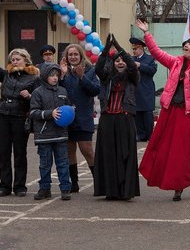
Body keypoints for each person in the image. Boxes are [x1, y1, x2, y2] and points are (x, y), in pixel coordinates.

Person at [136, 20, 190, 201]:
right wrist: (146, 33)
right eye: (186, 43)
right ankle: (178, 185)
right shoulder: (175, 62)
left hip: (187, 114)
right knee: (164, 147)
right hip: (170, 111)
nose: (186, 45)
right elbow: (156, 52)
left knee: (186, 151)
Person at [0, 37, 40, 197]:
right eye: (12, 59)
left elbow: (37, 99)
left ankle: (20, 186)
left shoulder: (34, 78)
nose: (14, 62)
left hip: (20, 117)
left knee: (20, 153)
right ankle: (5, 186)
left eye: (18, 59)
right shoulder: (6, 75)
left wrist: (29, 96)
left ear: (26, 60)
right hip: (3, 116)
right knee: (4, 152)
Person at [93, 34, 141, 200]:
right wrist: (106, 50)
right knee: (108, 155)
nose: (120, 62)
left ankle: (125, 191)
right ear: (112, 63)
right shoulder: (106, 78)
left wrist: (120, 49)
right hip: (107, 119)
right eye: (117, 60)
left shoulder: (132, 77)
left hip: (124, 118)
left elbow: (132, 66)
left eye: (122, 60)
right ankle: (111, 191)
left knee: (125, 154)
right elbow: (98, 68)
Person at [59, 44, 101, 193]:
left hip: (83, 117)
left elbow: (95, 90)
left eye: (75, 54)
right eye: (70, 54)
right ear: (66, 57)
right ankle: (74, 183)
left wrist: (82, 76)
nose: (73, 57)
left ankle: (99, 183)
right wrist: (62, 76)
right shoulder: (62, 71)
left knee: (87, 150)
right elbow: (56, 89)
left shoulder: (90, 70)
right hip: (66, 118)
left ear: (81, 55)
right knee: (69, 150)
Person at [29, 63, 72, 201]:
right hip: (44, 136)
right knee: (45, 165)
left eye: (56, 75)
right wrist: (50, 113)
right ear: (44, 76)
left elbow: (67, 107)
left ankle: (65, 189)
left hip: (61, 134)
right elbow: (33, 112)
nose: (55, 78)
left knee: (63, 163)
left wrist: (71, 110)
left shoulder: (63, 91)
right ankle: (44, 189)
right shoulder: (37, 92)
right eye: (51, 75)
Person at [130, 37, 157, 142]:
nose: (134, 51)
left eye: (135, 49)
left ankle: (150, 135)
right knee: (137, 114)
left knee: (147, 114)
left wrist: (140, 65)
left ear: (141, 48)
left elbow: (152, 70)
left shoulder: (150, 58)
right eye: (133, 49)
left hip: (146, 90)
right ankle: (140, 135)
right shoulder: (131, 59)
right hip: (135, 90)